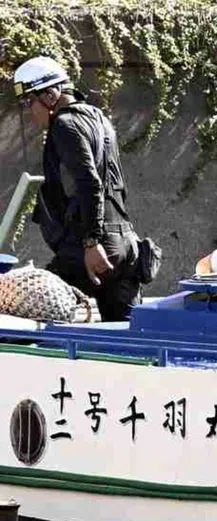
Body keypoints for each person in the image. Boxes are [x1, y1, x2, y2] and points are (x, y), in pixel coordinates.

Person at [14, 55, 140, 322]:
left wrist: (91, 242)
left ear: (50, 95)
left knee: (28, 304)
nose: (28, 111)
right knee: (127, 335)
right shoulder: (99, 119)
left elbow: (89, 182)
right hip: (125, 244)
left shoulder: (64, 125)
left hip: (92, 249)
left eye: (28, 102)